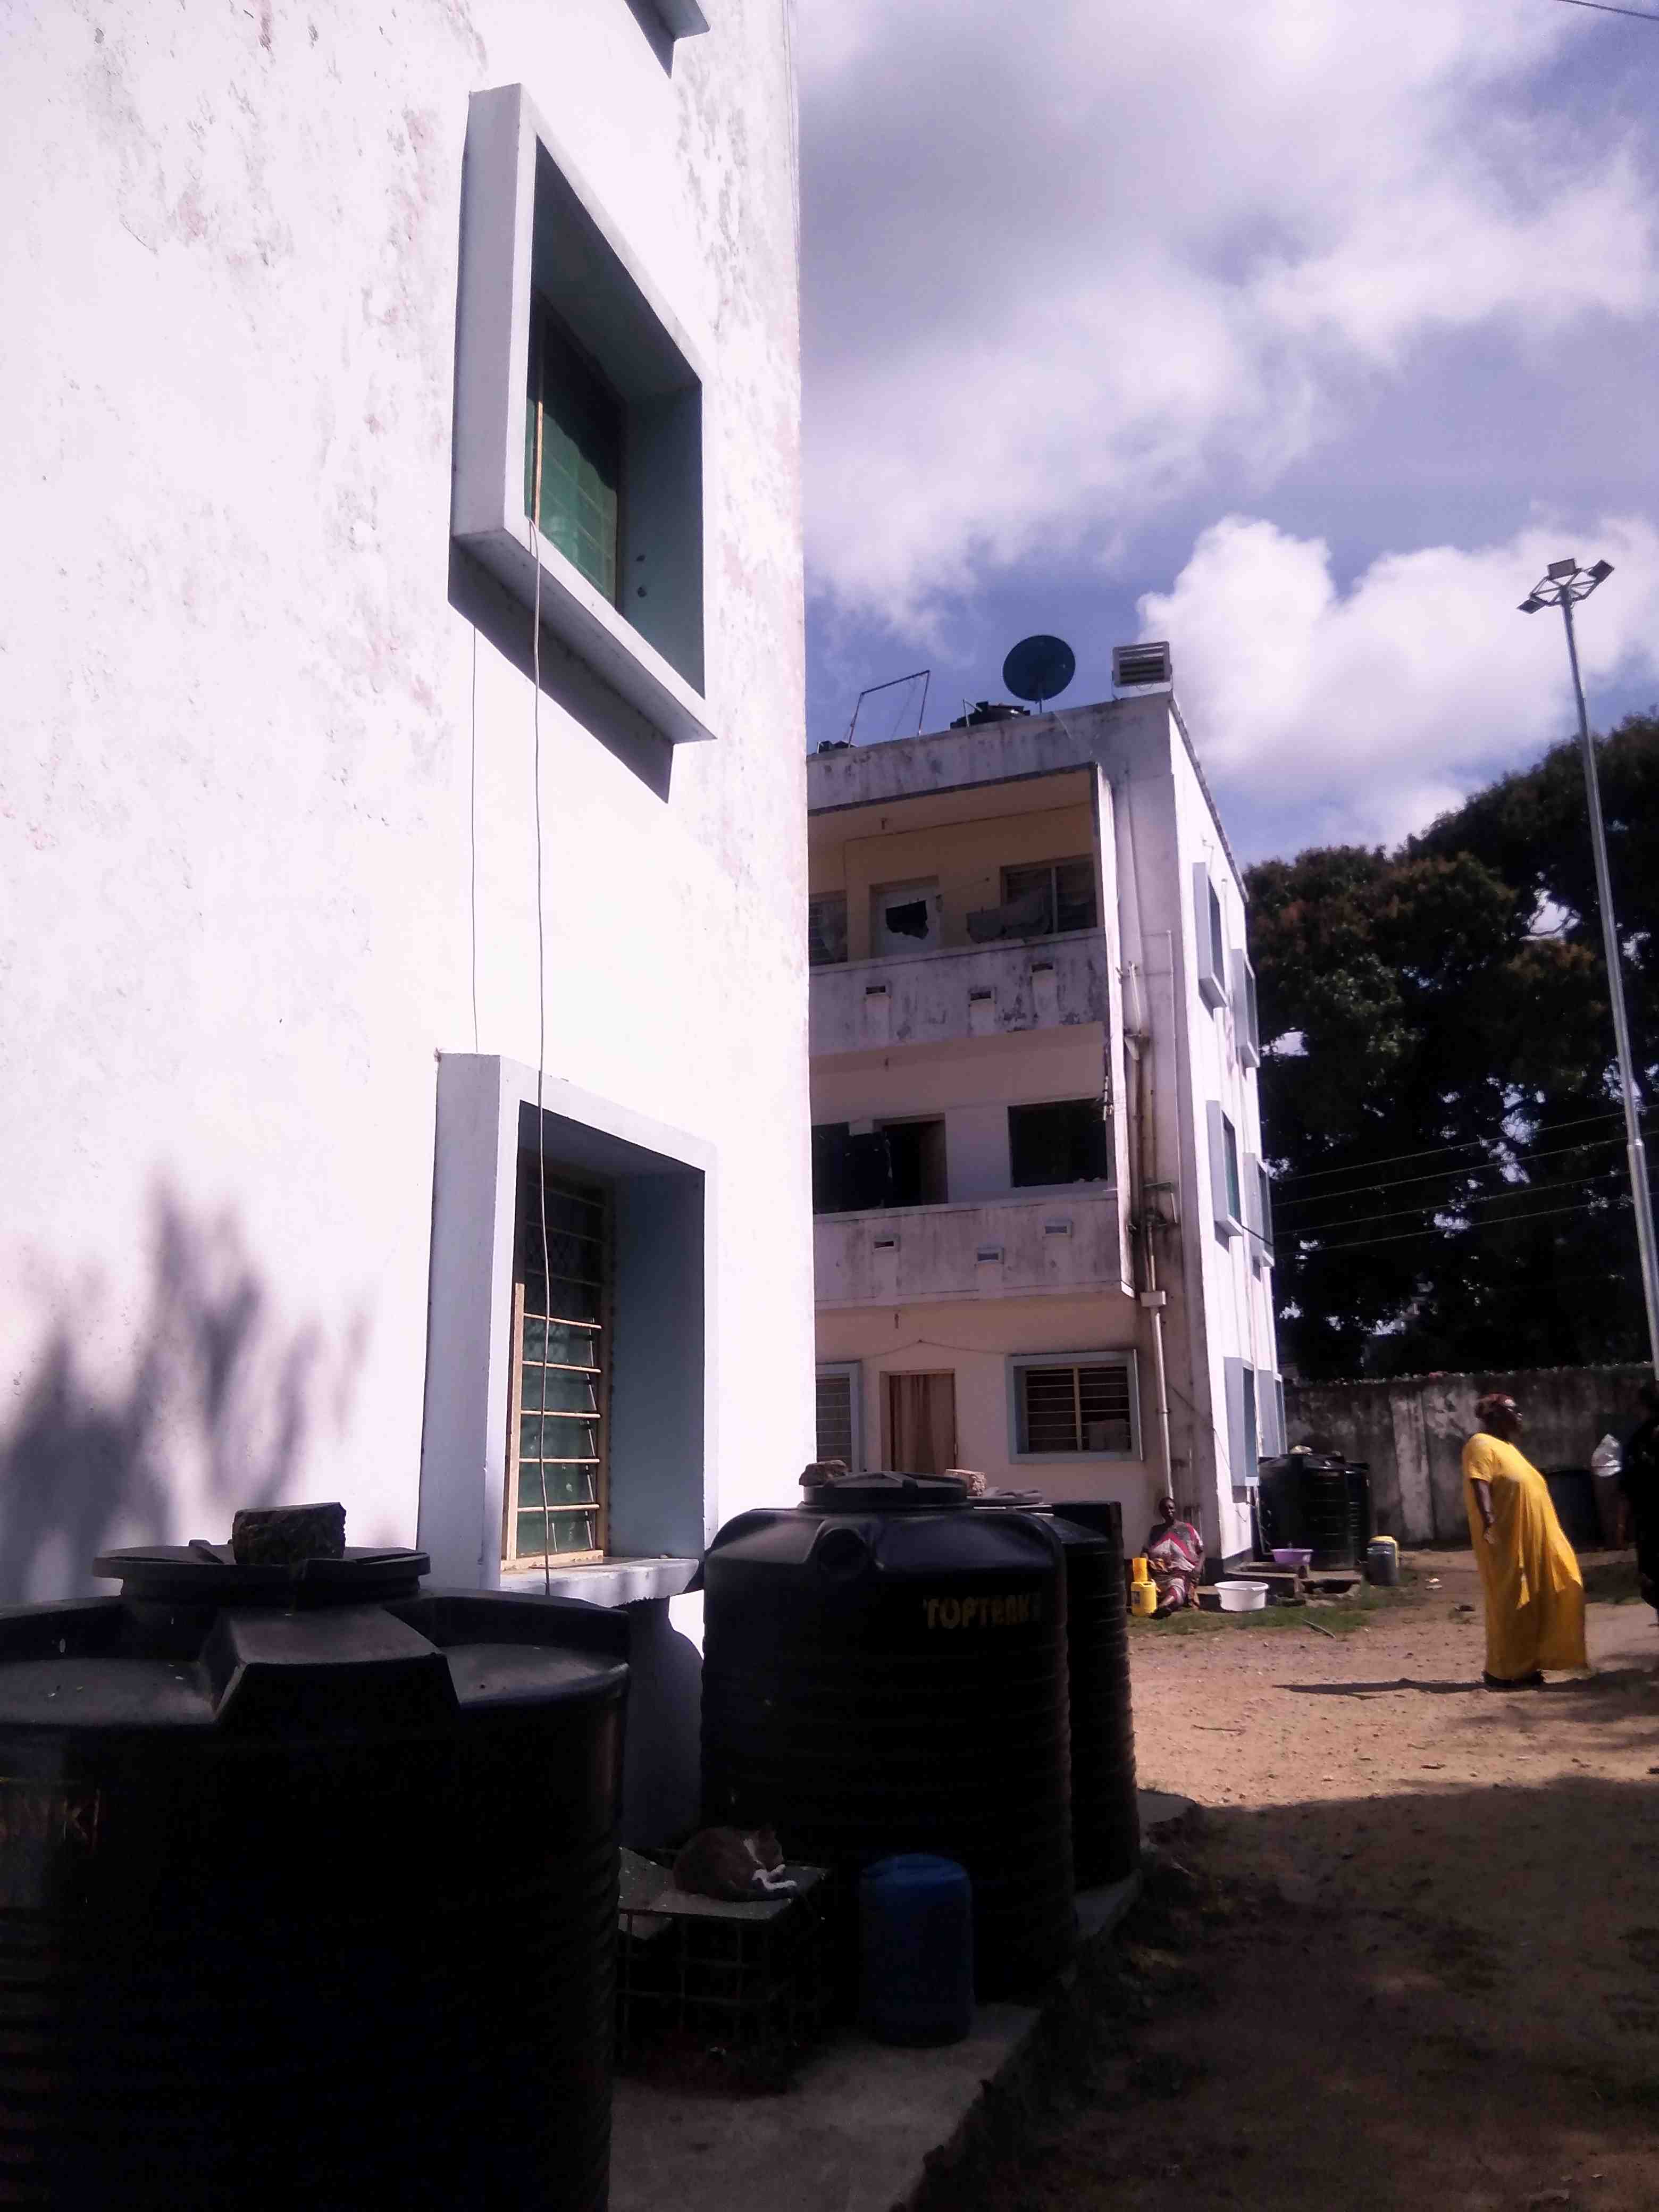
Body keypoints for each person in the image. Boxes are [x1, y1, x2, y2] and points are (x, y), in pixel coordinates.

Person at [1462, 1392, 1587, 1688]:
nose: (1520, 1415)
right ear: (1495, 1416)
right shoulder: (1480, 1444)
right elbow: (1480, 1481)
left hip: (1535, 1538)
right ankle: (1503, 1672)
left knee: (1544, 1594)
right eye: (1513, 1410)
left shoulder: (1509, 1448)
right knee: (1512, 1600)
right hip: (1507, 1539)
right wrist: (1489, 1519)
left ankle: (1528, 1664)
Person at [1619, 1382, 1659, 1620]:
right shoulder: (1637, 1442)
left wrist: (1621, 1527)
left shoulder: (1637, 1442)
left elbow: (1626, 1489)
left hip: (1650, 1528)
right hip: (1649, 1526)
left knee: (1654, 1585)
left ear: (1642, 1406)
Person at [1143, 1495, 1204, 1618]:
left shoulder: (1187, 1529)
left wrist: (1198, 1568)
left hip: (1182, 1573)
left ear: (1175, 1509)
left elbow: (1202, 1551)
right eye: (1165, 1509)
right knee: (1143, 1581)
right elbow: (1145, 1550)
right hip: (1159, 1574)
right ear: (1161, 1512)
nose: (1169, 1511)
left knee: (1177, 1586)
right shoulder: (1155, 1531)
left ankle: (1162, 1607)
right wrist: (1144, 1564)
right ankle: (1165, 1606)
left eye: (1171, 1508)